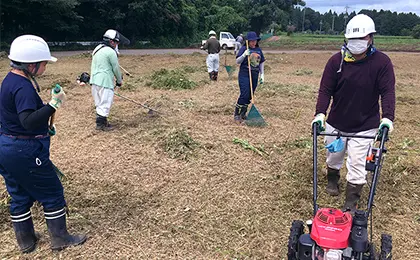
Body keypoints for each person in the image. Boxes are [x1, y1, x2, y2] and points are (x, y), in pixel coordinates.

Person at [0, 35, 86, 253]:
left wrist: (44, 128)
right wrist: (53, 105)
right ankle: (60, 239)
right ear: (31, 64)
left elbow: (15, 118)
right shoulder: (23, 88)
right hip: (24, 150)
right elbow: (28, 121)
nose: (45, 66)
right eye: (44, 62)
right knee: (52, 192)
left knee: (19, 194)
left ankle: (26, 241)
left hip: (7, 147)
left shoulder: (9, 80)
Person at [311, 14, 396, 212]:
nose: (357, 44)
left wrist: (387, 118)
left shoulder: (381, 63)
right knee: (334, 157)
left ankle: (351, 199)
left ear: (371, 38)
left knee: (358, 163)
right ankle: (333, 179)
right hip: (337, 122)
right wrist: (320, 114)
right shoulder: (336, 61)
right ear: (346, 39)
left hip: (366, 124)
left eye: (362, 39)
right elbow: (325, 90)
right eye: (353, 40)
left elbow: (387, 92)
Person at [90, 29, 124, 131]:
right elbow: (116, 68)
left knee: (99, 102)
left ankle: (103, 122)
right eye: (116, 42)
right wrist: (119, 80)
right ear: (111, 41)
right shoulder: (111, 52)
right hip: (105, 81)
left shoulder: (97, 49)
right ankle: (101, 125)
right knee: (105, 102)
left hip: (94, 80)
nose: (117, 44)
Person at [234, 31, 265, 123]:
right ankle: (237, 113)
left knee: (250, 95)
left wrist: (262, 74)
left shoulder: (258, 50)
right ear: (247, 41)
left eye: (255, 41)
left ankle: (243, 113)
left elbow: (262, 62)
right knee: (244, 93)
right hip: (244, 74)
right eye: (251, 41)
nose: (253, 43)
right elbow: (237, 61)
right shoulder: (244, 48)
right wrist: (244, 55)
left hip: (255, 75)